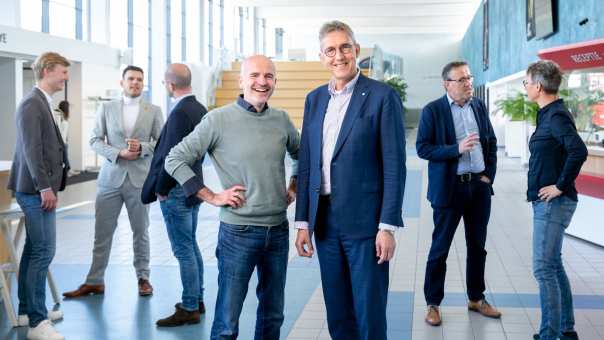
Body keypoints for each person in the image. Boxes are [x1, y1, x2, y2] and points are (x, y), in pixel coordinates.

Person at [164, 55, 299, 340]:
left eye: (268, 76)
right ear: (241, 80)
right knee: (227, 322)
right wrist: (210, 195)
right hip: (238, 233)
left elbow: (302, 157)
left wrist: (294, 185)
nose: (262, 82)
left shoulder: (281, 120)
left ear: (275, 81)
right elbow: (174, 159)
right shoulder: (218, 120)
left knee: (273, 316)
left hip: (277, 232)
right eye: (254, 75)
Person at [294, 21, 406, 340]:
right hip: (326, 223)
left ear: (356, 50)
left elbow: (394, 166)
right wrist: (303, 221)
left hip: (366, 224)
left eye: (345, 47)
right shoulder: (314, 99)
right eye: (330, 50)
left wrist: (387, 227)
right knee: (338, 311)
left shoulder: (382, 97)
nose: (338, 55)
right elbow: (307, 164)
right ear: (322, 57)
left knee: (369, 312)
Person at [63, 65, 163, 298]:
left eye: (139, 79)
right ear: (122, 82)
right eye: (131, 79)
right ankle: (95, 280)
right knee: (102, 232)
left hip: (139, 179)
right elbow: (95, 140)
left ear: (143, 83)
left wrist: (142, 149)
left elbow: (160, 142)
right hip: (110, 179)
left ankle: (143, 278)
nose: (135, 83)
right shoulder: (106, 108)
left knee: (141, 232)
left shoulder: (154, 110)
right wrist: (118, 153)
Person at [416, 60, 500, 326]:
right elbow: (423, 148)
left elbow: (491, 142)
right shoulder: (433, 110)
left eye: (469, 78)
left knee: (477, 246)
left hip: (478, 187)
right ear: (447, 84)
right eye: (462, 79)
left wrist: (488, 176)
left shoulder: (478, 106)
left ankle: (476, 298)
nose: (468, 84)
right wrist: (456, 148)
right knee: (440, 248)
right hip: (449, 189)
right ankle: (433, 304)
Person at [8, 51, 70, 340]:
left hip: (39, 189)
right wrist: (45, 186)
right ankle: (37, 322)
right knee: (44, 250)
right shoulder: (32, 104)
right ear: (47, 70)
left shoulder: (42, 103)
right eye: (62, 72)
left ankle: (26, 311)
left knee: (34, 250)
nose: (65, 78)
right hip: (35, 190)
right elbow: (32, 151)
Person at [524, 60, 587, 340]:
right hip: (548, 203)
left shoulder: (556, 116)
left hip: (554, 204)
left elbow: (578, 150)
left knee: (543, 268)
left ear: (538, 86)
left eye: (526, 82)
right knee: (553, 265)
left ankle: (549, 334)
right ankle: (566, 328)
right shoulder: (548, 113)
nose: (525, 87)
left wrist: (560, 186)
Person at [141, 63, 208, 326]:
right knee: (191, 245)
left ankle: (190, 305)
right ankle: (197, 298)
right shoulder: (200, 109)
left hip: (177, 190)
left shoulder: (180, 112)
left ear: (170, 85)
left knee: (183, 250)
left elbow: (171, 156)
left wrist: (161, 188)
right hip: (193, 187)